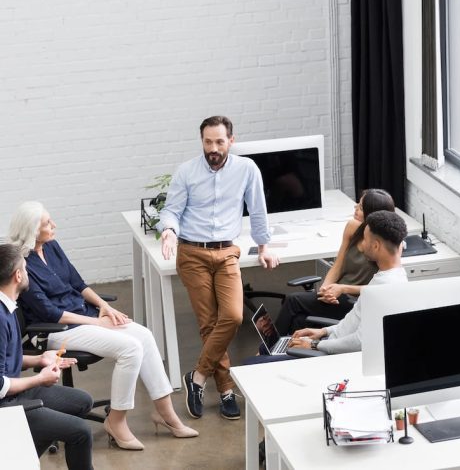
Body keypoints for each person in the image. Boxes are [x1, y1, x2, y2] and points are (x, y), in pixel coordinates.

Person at [9, 202, 198, 452]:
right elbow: (49, 312)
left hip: (82, 316)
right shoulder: (23, 265)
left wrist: (103, 308)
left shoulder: (52, 247)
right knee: (130, 348)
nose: (54, 225)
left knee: (143, 335)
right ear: (32, 230)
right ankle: (116, 422)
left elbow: (77, 282)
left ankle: (166, 414)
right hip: (54, 331)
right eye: (47, 223)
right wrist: (98, 321)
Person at [158, 115, 279, 421]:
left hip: (226, 253)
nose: (213, 148)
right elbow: (171, 209)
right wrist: (169, 230)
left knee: (234, 316)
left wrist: (263, 246)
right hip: (192, 252)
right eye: (208, 141)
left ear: (231, 141)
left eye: (219, 141)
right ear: (202, 141)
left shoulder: (246, 169)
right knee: (209, 323)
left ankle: (197, 377)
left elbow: (258, 208)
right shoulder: (186, 171)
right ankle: (225, 390)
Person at [0, 243, 94, 470]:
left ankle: (21, 458)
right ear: (18, 275)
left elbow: (6, 360)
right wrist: (39, 379)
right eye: (26, 268)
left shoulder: (9, 306)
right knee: (81, 432)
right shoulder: (0, 318)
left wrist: (39, 359)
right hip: (5, 404)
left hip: (16, 392)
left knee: (83, 402)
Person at [274, 188, 395, 335]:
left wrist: (343, 288)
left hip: (356, 302)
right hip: (337, 294)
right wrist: (326, 289)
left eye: (361, 207)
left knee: (293, 301)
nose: (355, 208)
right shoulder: (352, 227)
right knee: (299, 320)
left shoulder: (383, 245)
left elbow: (382, 289)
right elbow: (337, 266)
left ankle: (263, 351)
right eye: (357, 204)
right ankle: (285, 352)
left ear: (372, 214)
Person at [287, 210, 408, 354]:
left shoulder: (382, 289)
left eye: (365, 239)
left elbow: (360, 342)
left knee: (257, 363)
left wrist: (314, 345)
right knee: (294, 326)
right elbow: (354, 323)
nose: (362, 243)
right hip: (329, 342)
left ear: (376, 246)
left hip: (327, 354)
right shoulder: (393, 276)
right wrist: (323, 331)